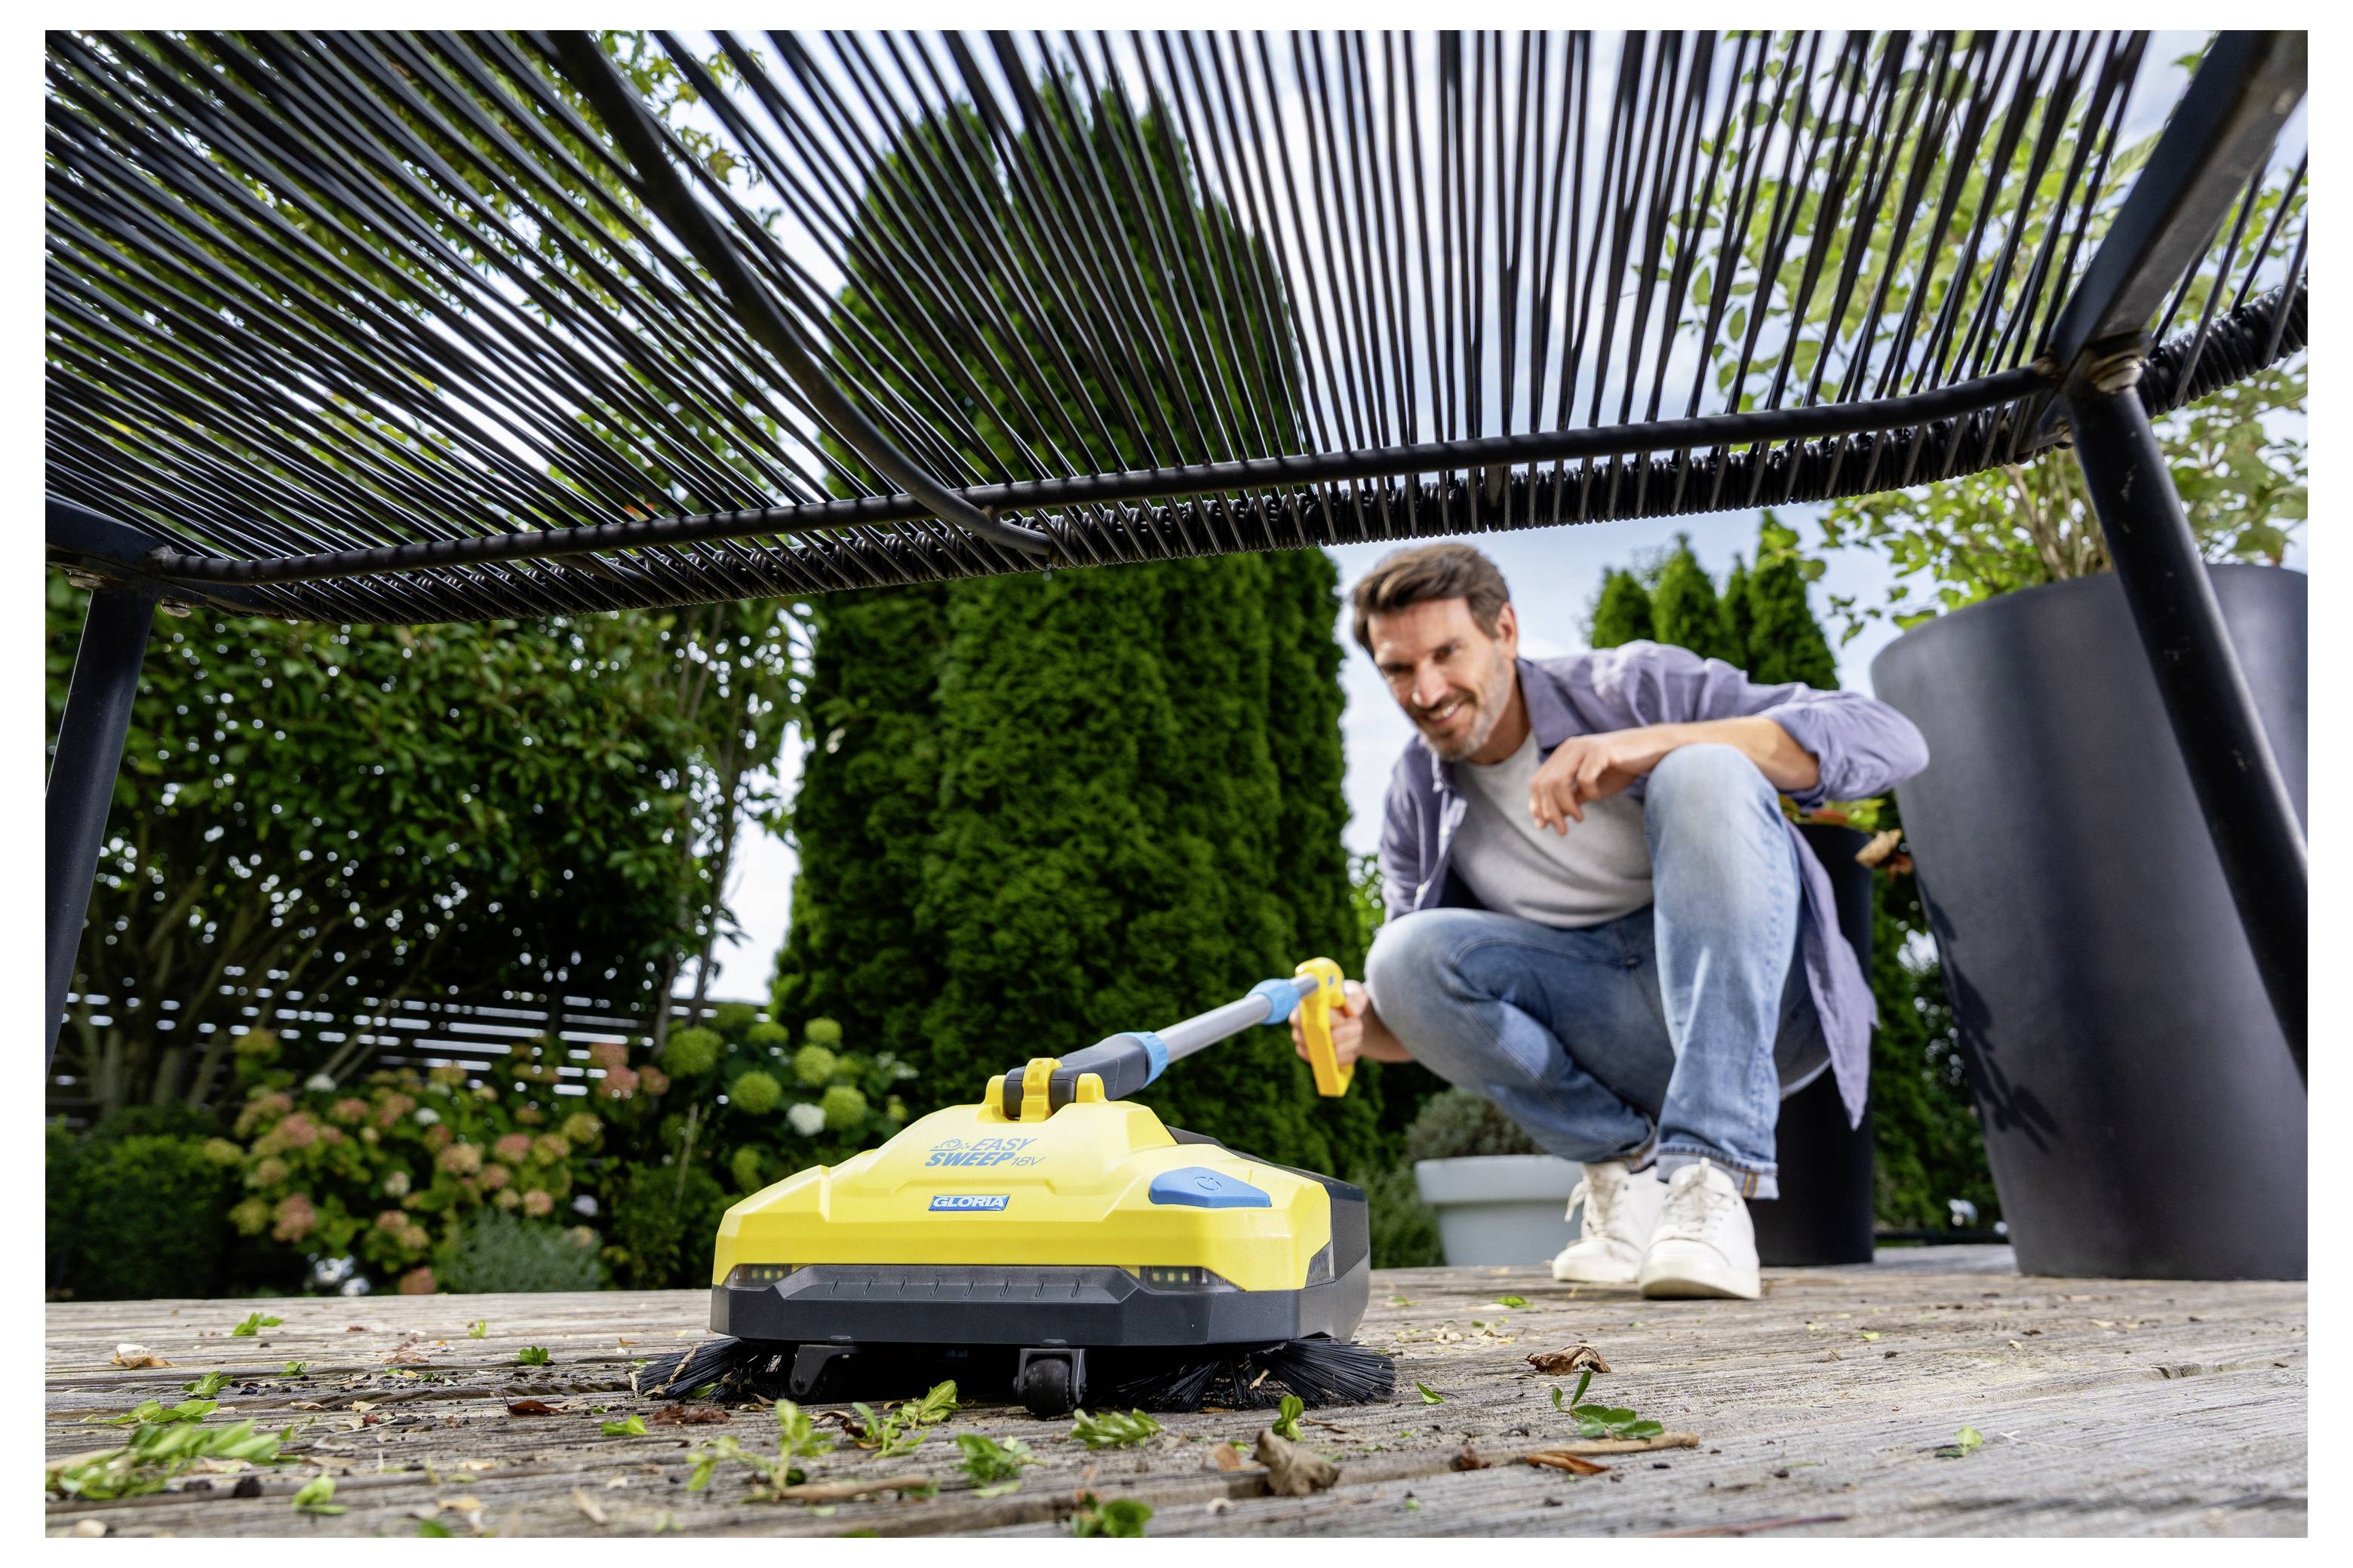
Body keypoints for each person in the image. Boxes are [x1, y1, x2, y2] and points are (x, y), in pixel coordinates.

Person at [1295, 542, 1927, 1299]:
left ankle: (1710, 1183)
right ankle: (1629, 1178)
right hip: (1611, 1035)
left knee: (1703, 767)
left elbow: (1892, 740)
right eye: (1397, 669)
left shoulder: (1630, 686)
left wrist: (1649, 744)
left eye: (1445, 653)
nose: (1426, 690)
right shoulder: (1416, 795)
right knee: (1397, 957)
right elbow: (1436, 1005)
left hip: (1765, 1011)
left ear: (1504, 633)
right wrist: (1367, 1030)